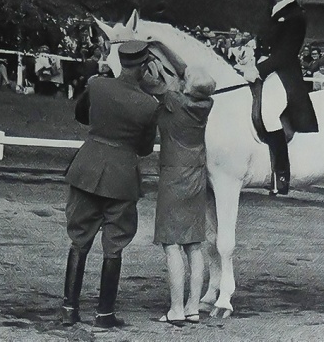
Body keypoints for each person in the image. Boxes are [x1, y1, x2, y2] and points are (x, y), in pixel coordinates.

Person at [61, 41, 160, 328]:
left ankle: (69, 309)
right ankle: (104, 314)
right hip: (121, 176)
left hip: (87, 167)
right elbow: (143, 149)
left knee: (79, 238)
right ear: (144, 66)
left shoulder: (97, 85)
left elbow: (81, 115)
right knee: (114, 245)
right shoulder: (148, 105)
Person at [148, 42, 215, 326]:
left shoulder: (175, 101)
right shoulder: (204, 102)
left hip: (174, 176)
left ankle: (175, 308)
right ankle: (192, 307)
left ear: (187, 87)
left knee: (172, 245)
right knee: (194, 246)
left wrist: (150, 54)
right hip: (196, 174)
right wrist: (163, 46)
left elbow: (147, 82)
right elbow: (185, 72)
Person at [242, 0, 318, 196]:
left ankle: (281, 175)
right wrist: (248, 48)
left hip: (283, 73)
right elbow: (262, 39)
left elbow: (285, 54)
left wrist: (259, 69)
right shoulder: (271, 9)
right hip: (261, 66)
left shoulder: (297, 16)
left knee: (268, 114)